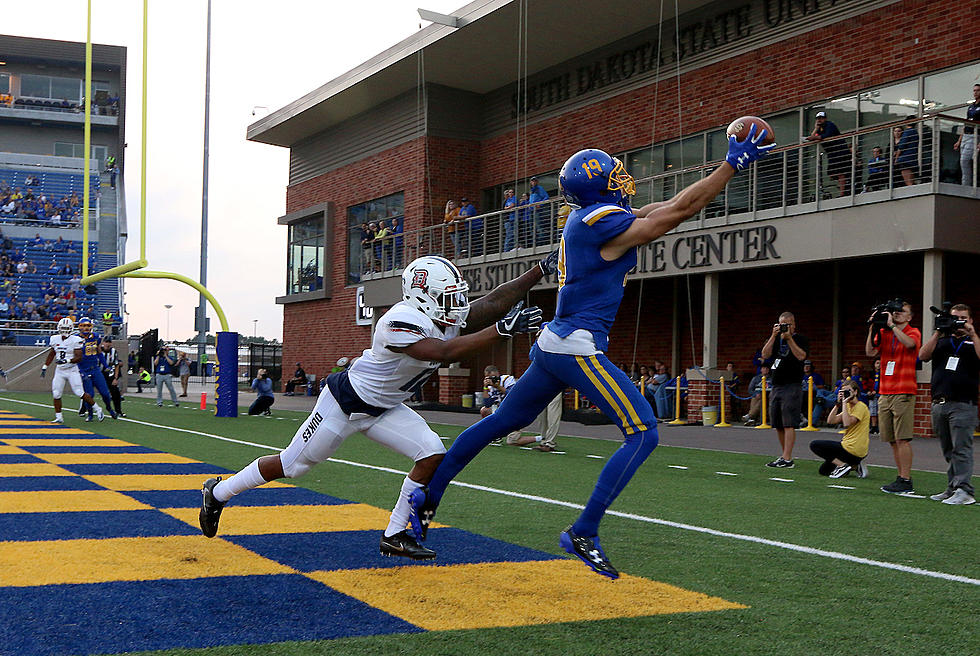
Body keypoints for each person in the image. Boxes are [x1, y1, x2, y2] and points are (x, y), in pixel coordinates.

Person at [409, 131, 773, 578]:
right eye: (615, 175)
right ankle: (584, 531)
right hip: (576, 346)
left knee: (501, 422)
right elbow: (678, 212)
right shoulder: (597, 222)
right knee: (643, 432)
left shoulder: (589, 216)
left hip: (554, 343)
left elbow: (662, 207)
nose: (624, 180)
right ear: (600, 186)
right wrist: (730, 166)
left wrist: (715, 173)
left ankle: (426, 500)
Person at [199, 254, 554, 562]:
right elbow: (443, 353)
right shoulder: (399, 320)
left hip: (385, 406)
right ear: (422, 297)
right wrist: (503, 330)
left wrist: (539, 270)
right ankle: (218, 492)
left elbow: (488, 305)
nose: (458, 304)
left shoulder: (439, 315)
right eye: (449, 296)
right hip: (345, 404)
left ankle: (395, 534)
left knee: (432, 453)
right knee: (293, 466)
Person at [918, 303, 978, 505]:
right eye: (955, 318)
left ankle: (964, 490)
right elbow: (923, 356)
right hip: (939, 403)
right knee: (948, 449)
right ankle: (953, 486)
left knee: (962, 448)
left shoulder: (972, 342)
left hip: (963, 403)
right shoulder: (943, 342)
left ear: (970, 320)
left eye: (963, 318)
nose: (959, 322)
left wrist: (973, 334)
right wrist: (938, 331)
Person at [866, 299, 921, 495]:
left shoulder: (913, 331)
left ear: (910, 316)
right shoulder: (884, 333)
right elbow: (870, 351)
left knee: (902, 438)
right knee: (891, 439)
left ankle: (906, 479)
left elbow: (910, 345)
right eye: (894, 311)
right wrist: (873, 326)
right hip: (885, 391)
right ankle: (900, 477)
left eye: (901, 311)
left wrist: (891, 325)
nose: (896, 313)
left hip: (903, 391)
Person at [760, 312, 810, 467]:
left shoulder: (800, 339)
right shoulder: (775, 340)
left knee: (789, 422)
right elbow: (765, 354)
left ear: (793, 325)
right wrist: (773, 336)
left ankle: (787, 458)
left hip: (792, 385)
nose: (784, 327)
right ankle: (785, 456)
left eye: (787, 324)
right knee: (778, 423)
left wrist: (789, 339)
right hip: (776, 385)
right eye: (781, 324)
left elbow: (801, 356)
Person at [41, 317, 103, 423]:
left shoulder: (76, 340)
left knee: (79, 392)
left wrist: (67, 361)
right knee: (56, 394)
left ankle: (98, 408)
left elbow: (79, 357)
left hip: (72, 370)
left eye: (66, 328)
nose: (64, 330)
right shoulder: (54, 339)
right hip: (60, 370)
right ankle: (59, 417)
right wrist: (45, 366)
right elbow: (52, 353)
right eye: (63, 328)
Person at [811, 379, 870, 479]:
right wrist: (838, 404)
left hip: (853, 448)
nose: (846, 394)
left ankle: (843, 466)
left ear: (855, 392)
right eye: (843, 392)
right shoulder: (847, 406)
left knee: (815, 445)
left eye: (848, 391)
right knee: (824, 471)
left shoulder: (861, 406)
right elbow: (831, 420)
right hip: (846, 448)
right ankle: (854, 465)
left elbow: (847, 423)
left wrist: (844, 403)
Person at [481, 365, 538, 447]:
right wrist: (485, 388)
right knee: (484, 410)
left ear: (498, 374)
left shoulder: (507, 379)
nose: (491, 380)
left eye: (493, 377)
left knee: (512, 440)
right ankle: (494, 435)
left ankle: (541, 438)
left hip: (515, 410)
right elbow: (487, 404)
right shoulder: (489, 386)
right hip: (501, 411)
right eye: (488, 378)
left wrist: (498, 386)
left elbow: (513, 395)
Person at [75, 317, 117, 421]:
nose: (86, 328)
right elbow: (75, 357)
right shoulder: (75, 339)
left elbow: (99, 353)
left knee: (105, 393)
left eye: (88, 326)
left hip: (95, 369)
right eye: (84, 326)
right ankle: (90, 414)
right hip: (84, 369)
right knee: (90, 394)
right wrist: (80, 371)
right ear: (79, 327)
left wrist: (106, 366)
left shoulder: (96, 337)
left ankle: (109, 408)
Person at [806, 111, 850, 197]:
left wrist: (815, 137)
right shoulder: (820, 129)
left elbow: (825, 136)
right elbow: (812, 137)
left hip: (840, 152)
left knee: (840, 173)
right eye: (818, 119)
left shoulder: (830, 125)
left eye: (821, 118)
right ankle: (844, 187)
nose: (819, 120)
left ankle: (843, 192)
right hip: (832, 153)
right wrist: (815, 128)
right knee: (832, 173)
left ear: (825, 119)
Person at [953, 84, 980, 187]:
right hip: (966, 136)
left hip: (975, 135)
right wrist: (959, 140)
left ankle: (967, 186)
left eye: (977, 90)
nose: (975, 93)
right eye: (974, 91)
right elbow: (966, 123)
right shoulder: (971, 106)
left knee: (965, 160)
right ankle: (965, 184)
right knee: (962, 161)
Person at [100, 337, 125, 417]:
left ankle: (118, 411)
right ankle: (84, 409)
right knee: (89, 392)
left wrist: (115, 378)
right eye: (106, 342)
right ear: (103, 343)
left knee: (116, 393)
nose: (108, 344)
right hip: (98, 373)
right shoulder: (98, 350)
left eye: (109, 342)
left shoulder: (113, 351)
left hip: (109, 375)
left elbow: (116, 365)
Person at [894, 117, 918, 187]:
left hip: (905, 159)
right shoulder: (915, 132)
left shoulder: (907, 132)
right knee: (911, 180)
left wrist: (896, 158)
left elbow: (901, 146)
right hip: (913, 158)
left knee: (908, 181)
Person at [527, 176, 550, 246]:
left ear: (537, 182)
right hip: (531, 210)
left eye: (534, 181)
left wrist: (540, 204)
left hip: (537, 210)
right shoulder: (532, 190)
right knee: (532, 228)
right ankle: (534, 243)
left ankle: (542, 242)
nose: (533, 182)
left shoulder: (539, 188)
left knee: (539, 226)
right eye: (532, 181)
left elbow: (546, 197)